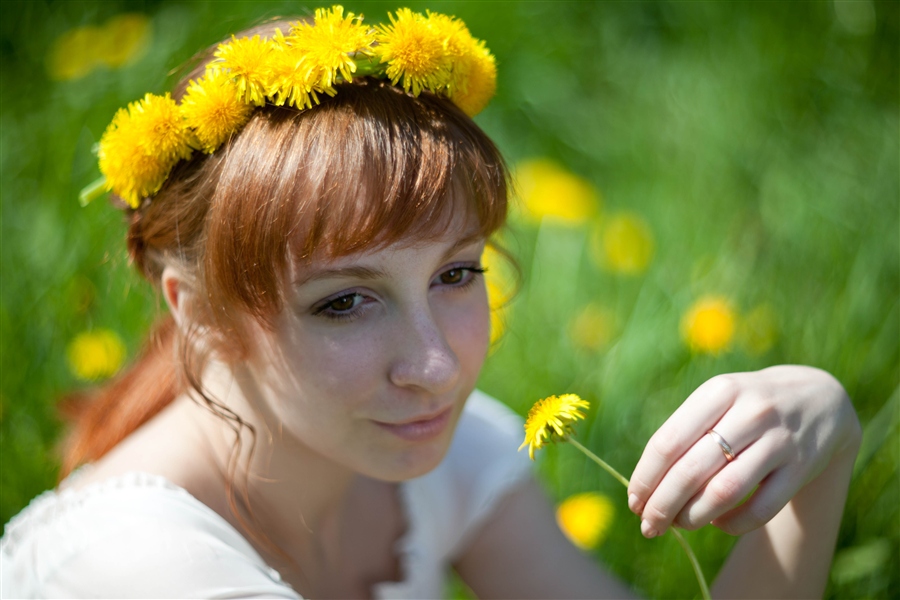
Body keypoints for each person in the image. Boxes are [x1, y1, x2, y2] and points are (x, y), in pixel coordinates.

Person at [1, 7, 861, 599]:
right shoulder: (138, 571)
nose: (439, 368)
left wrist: (817, 465)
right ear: (195, 310)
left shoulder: (447, 455)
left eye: (456, 274)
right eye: (343, 303)